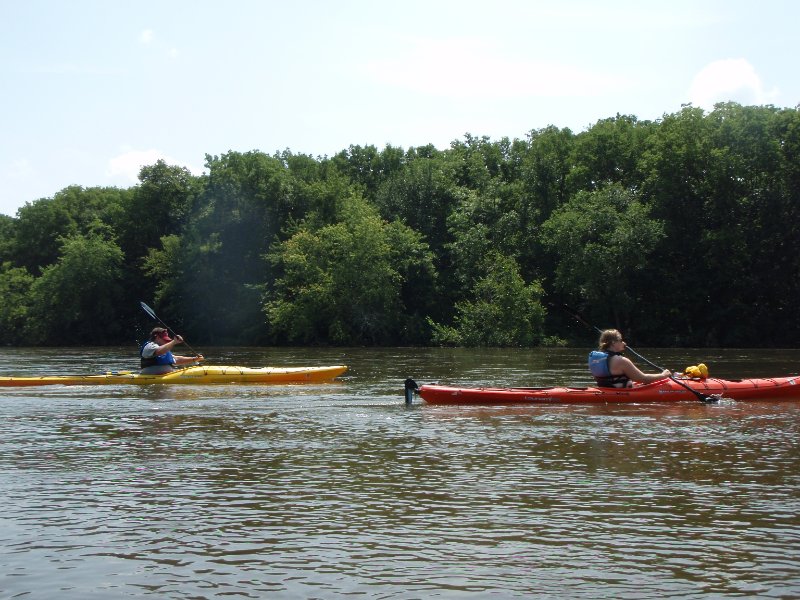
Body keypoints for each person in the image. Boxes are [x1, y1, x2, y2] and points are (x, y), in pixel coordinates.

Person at [588, 329, 670, 388]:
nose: (624, 343)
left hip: (605, 390)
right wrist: (663, 375)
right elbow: (643, 378)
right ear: (613, 342)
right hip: (621, 393)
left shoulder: (595, 359)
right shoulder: (621, 361)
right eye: (621, 340)